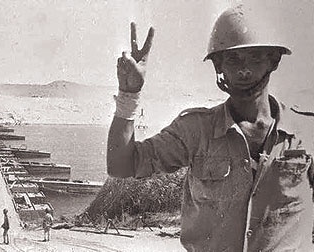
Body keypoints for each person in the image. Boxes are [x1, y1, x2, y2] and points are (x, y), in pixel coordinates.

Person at [107, 5, 314, 252]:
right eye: (233, 58)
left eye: (255, 57)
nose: (244, 69)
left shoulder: (306, 132)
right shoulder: (195, 130)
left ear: (274, 60)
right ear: (219, 66)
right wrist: (129, 95)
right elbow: (122, 165)